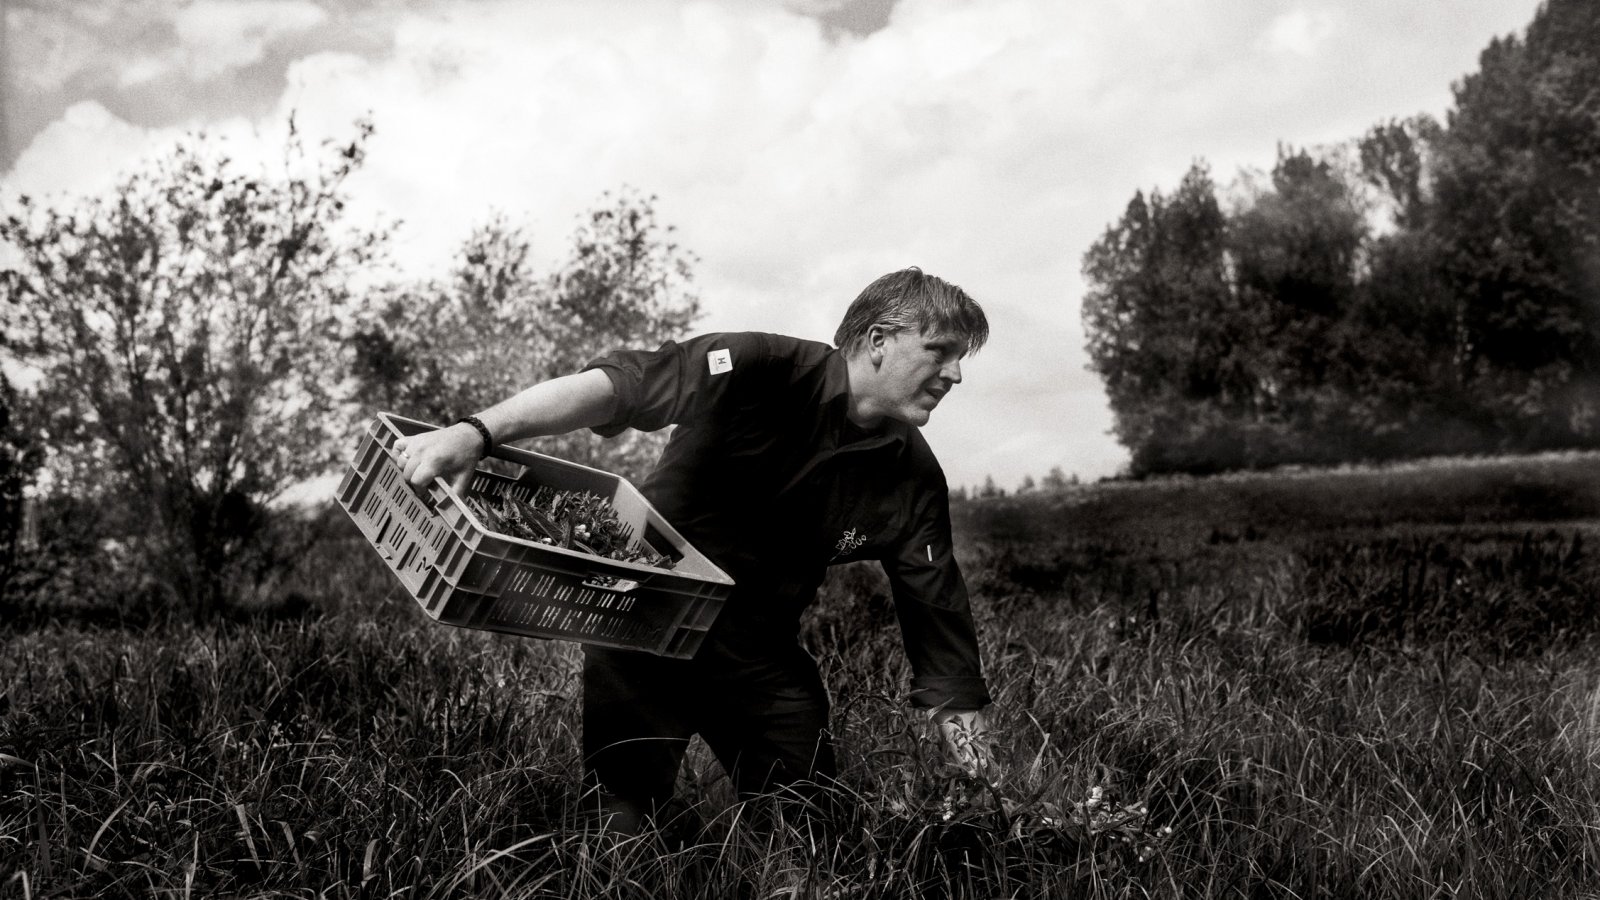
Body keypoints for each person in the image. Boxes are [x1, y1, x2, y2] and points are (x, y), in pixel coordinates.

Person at [394, 267, 997, 832]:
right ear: (878, 340)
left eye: (959, 359)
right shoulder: (759, 366)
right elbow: (616, 389)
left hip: (760, 651)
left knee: (813, 827)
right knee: (622, 821)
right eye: (939, 352)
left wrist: (983, 784)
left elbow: (939, 627)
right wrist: (477, 432)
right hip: (645, 621)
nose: (955, 375)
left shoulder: (912, 477)